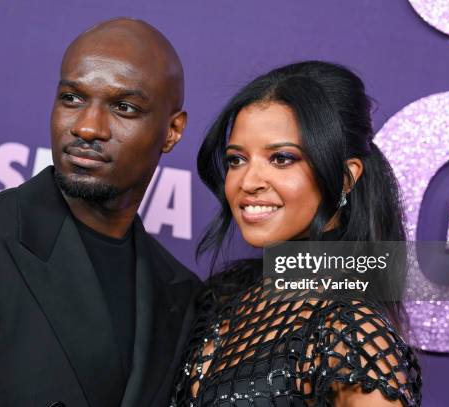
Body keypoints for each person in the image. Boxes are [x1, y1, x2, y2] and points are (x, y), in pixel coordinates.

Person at [0, 18, 202, 407]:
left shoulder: (181, 292)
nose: (88, 128)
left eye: (124, 107)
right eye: (72, 98)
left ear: (172, 131)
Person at [170, 61, 422, 406]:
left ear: (346, 178)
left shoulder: (352, 334)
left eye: (281, 158)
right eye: (236, 160)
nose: (248, 182)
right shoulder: (225, 296)